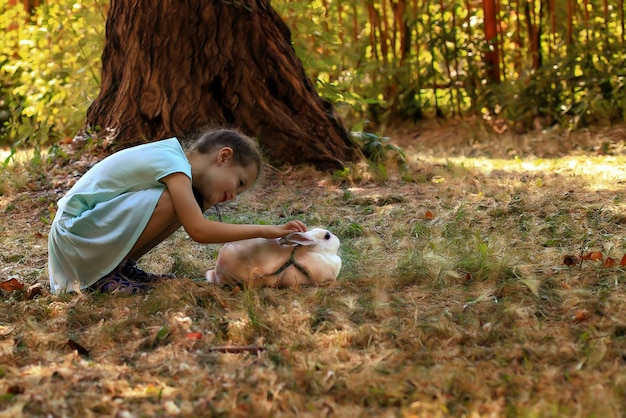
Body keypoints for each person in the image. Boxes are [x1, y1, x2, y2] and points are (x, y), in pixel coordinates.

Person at [48, 128, 307, 295]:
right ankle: (103, 276)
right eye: (238, 183)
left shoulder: (177, 167)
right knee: (175, 201)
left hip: (79, 239)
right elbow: (199, 230)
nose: (231, 197)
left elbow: (196, 223)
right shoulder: (173, 164)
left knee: (185, 203)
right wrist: (268, 231)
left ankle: (120, 267)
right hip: (74, 234)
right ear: (224, 156)